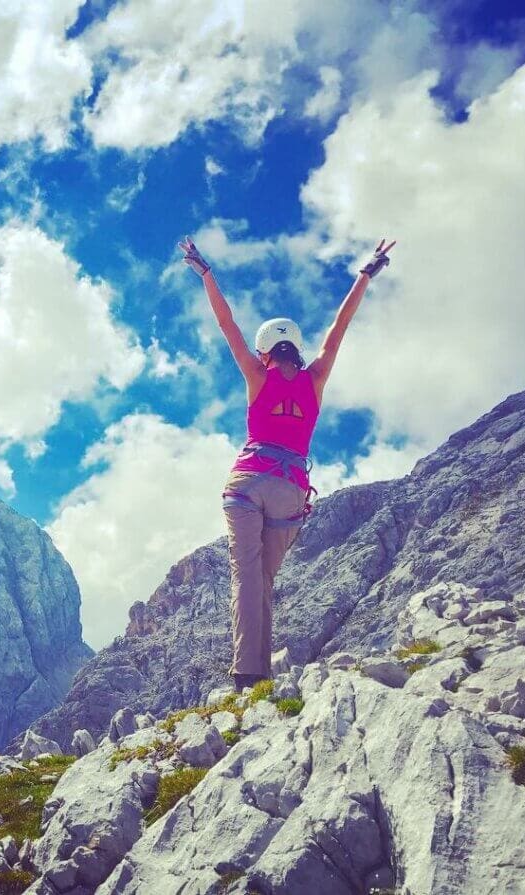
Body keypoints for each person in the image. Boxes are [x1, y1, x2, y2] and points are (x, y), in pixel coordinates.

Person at [178, 234, 396, 694]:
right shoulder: (316, 377)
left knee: (246, 576)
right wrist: (365, 274)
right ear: (294, 346)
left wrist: (206, 274)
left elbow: (226, 324)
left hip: (247, 482)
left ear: (264, 351)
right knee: (263, 582)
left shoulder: (256, 375)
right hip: (291, 489)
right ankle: (260, 677)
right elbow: (340, 327)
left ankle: (246, 675)